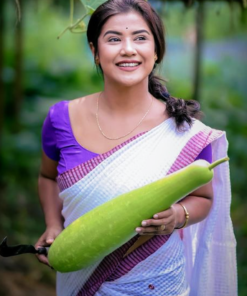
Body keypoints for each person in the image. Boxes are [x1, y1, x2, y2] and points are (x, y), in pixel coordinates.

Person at [35, 0, 237, 295]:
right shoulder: (61, 119)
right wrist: (53, 225)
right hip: (79, 280)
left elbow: (204, 198)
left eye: (140, 38)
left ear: (156, 52)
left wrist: (178, 215)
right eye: (113, 39)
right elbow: (48, 177)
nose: (128, 49)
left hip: (159, 282)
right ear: (94, 51)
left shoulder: (184, 131)